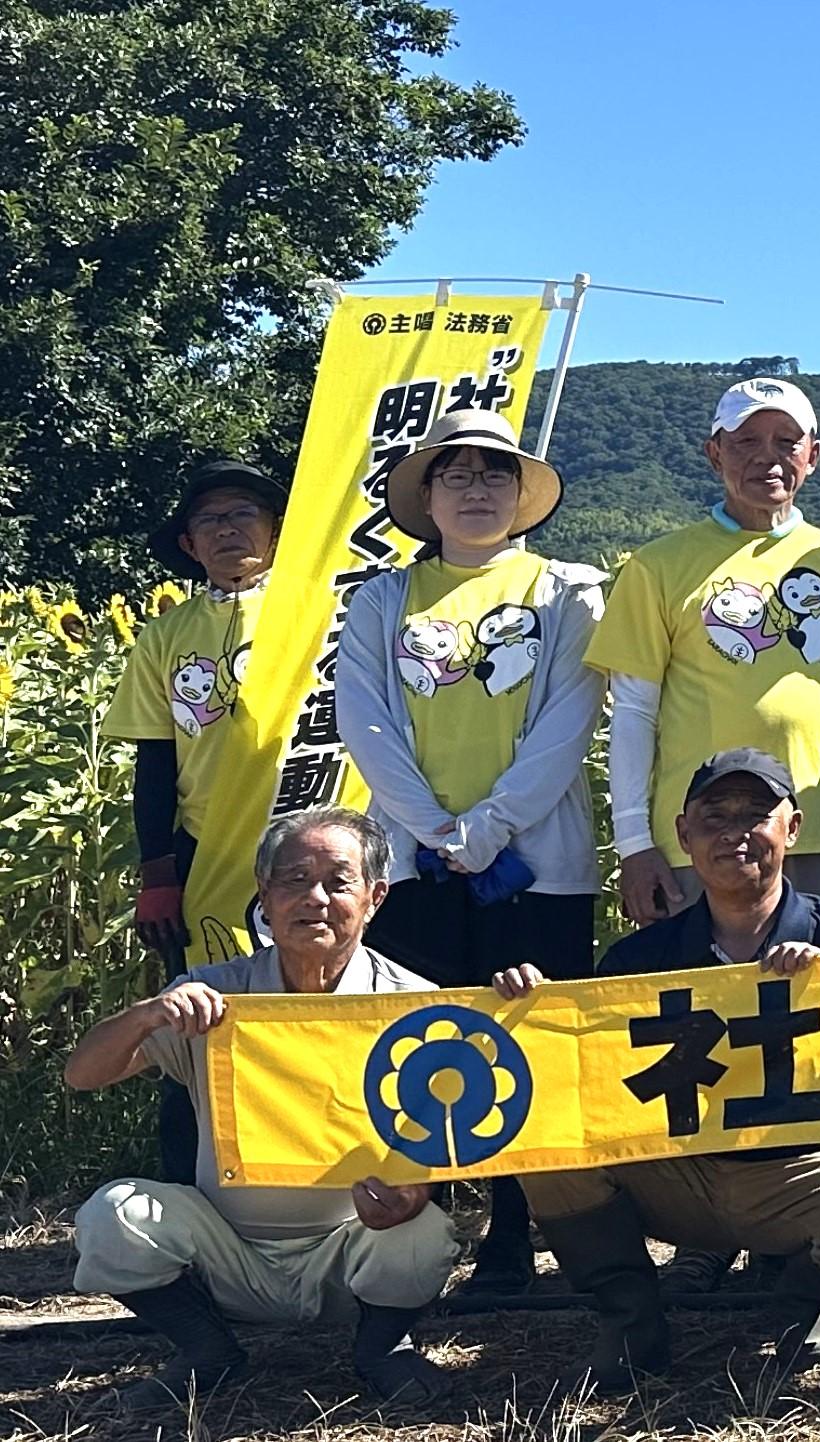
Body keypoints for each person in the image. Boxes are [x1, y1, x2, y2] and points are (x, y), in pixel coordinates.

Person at [495, 750, 820, 1388]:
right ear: (683, 834)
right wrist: (529, 1007)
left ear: (793, 829)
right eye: (714, 816)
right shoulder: (638, 958)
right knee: (549, 1153)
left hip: (800, 1170)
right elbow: (588, 1071)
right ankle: (631, 1320)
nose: (735, 832)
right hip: (676, 1172)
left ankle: (802, 1304)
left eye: (757, 815)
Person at [335, 407, 605, 1294]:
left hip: (538, 862)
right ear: (427, 494)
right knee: (420, 1044)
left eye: (496, 474)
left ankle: (522, 1230)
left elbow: (570, 716)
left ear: (523, 493)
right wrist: (438, 833)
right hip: (412, 866)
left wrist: (487, 830)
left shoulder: (567, 590)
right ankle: (429, 1228)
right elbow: (365, 722)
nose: (478, 490)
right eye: (457, 474)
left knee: (531, 1040)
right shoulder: (381, 599)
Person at [62, 809, 453, 1410]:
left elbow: (460, 1129)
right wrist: (150, 1012)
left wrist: (418, 1189)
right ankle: (204, 1348)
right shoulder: (212, 995)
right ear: (264, 899)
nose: (315, 898)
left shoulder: (416, 1004)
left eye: (338, 882)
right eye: (293, 880)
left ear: (375, 899)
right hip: (223, 1252)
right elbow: (81, 1075)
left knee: (424, 1234)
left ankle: (380, 1349)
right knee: (115, 1214)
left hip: (350, 1250)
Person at [595, 377, 820, 923]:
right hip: (700, 842)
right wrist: (633, 843)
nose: (767, 458)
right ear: (714, 452)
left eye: (785, 442)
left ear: (812, 456)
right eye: (746, 442)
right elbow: (631, 713)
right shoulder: (659, 565)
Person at [117, 459, 331, 969]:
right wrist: (158, 874)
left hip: (313, 836)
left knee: (319, 993)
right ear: (189, 545)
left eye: (243, 513)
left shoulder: (326, 612)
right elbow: (155, 759)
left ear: (276, 530)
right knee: (209, 999)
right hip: (205, 845)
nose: (227, 528)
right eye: (208, 521)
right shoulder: (164, 635)